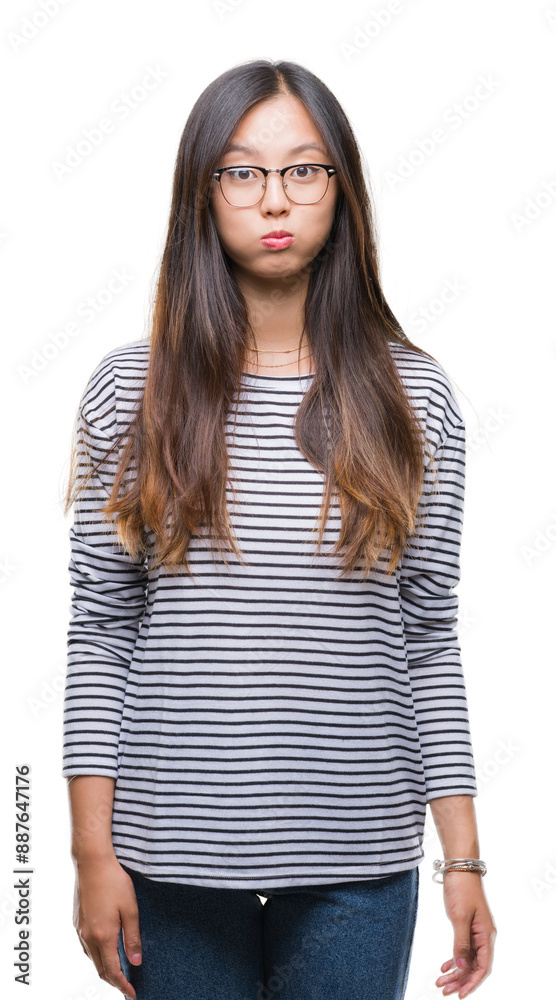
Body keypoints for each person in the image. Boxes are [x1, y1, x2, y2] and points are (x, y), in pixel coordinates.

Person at [61, 59, 496, 1000]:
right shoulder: (128, 391)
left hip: (358, 855)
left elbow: (427, 631)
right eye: (241, 171)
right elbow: (99, 630)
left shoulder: (413, 396)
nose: (274, 199)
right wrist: (90, 852)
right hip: (166, 851)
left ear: (341, 191)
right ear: (201, 194)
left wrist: (464, 858)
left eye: (304, 170)